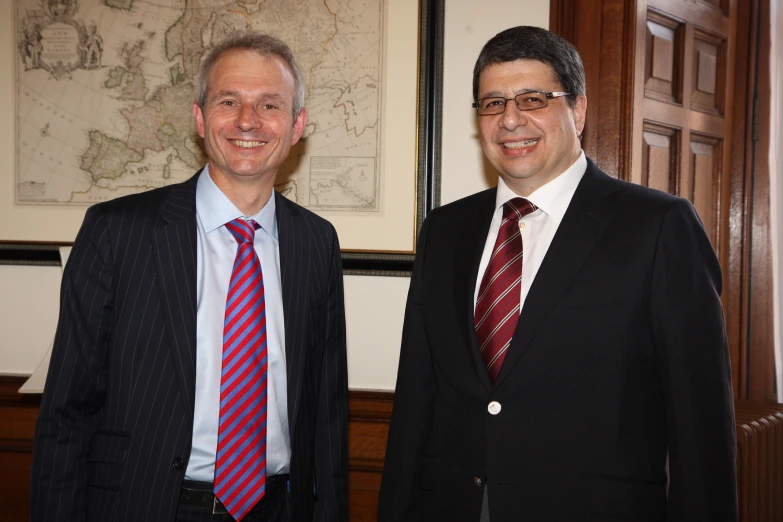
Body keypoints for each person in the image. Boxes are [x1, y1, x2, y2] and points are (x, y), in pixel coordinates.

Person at [378, 26, 737, 522]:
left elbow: (702, 428)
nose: (509, 120)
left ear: (579, 109)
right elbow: (416, 399)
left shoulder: (657, 227)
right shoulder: (444, 230)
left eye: (533, 99)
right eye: (492, 103)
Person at [31, 32, 348, 522]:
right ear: (200, 118)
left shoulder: (317, 242)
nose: (248, 121)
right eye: (229, 101)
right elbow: (67, 412)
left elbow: (327, 413)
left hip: (278, 509)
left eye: (270, 104)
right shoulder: (118, 231)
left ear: (296, 124)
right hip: (146, 505)